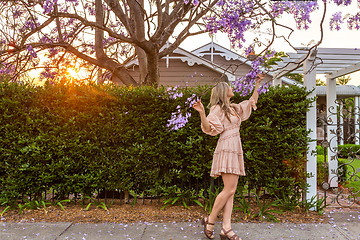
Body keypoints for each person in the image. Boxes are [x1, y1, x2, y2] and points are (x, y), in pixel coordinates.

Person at [192, 74, 264, 240]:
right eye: (229, 87)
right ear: (224, 91)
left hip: (234, 146)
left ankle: (226, 227)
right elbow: (209, 128)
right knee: (229, 189)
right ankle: (210, 220)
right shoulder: (217, 108)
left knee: (231, 191)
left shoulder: (233, 108)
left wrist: (257, 83)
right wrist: (202, 113)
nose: (232, 88)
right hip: (226, 146)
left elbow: (251, 101)